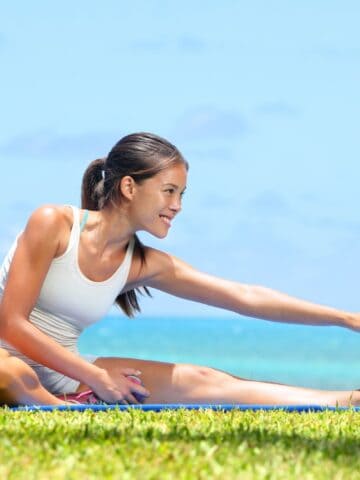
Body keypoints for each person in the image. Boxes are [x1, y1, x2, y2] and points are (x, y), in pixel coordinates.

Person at [0, 132, 359, 407]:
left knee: (204, 378)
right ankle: (66, 413)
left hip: (64, 372)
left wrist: (346, 319)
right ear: (129, 187)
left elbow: (246, 297)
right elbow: (12, 324)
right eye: (169, 191)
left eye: (181, 195)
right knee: (14, 375)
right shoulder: (53, 223)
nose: (177, 206)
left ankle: (346, 400)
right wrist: (96, 376)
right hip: (14, 359)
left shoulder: (144, 263)